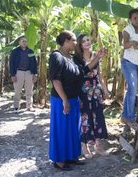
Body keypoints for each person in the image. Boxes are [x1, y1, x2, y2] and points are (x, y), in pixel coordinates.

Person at [49, 30, 106, 171]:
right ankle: (60, 161)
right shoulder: (57, 56)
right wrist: (64, 100)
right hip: (61, 100)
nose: (76, 43)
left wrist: (97, 57)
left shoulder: (71, 57)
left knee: (73, 130)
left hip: (74, 98)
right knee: (62, 130)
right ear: (66, 41)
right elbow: (55, 80)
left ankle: (72, 156)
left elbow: (84, 70)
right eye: (74, 40)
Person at [75, 34, 109, 159]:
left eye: (88, 39)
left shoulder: (95, 55)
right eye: (83, 41)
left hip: (96, 89)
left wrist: (105, 89)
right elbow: (80, 73)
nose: (87, 42)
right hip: (84, 90)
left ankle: (98, 145)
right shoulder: (77, 58)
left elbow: (99, 75)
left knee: (98, 115)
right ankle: (85, 146)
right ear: (80, 44)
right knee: (85, 117)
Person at [121, 8, 138, 129]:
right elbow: (125, 45)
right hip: (129, 63)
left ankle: (124, 115)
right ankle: (131, 119)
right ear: (130, 20)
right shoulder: (127, 30)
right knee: (132, 89)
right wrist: (132, 43)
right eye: (135, 18)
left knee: (132, 90)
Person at [9, 36, 38, 112]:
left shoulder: (31, 51)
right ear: (19, 42)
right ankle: (16, 107)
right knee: (17, 91)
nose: (24, 42)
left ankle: (29, 106)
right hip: (18, 72)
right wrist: (13, 75)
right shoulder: (15, 51)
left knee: (29, 91)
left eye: (25, 41)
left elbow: (35, 63)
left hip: (29, 72)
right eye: (23, 41)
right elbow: (11, 64)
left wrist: (35, 74)